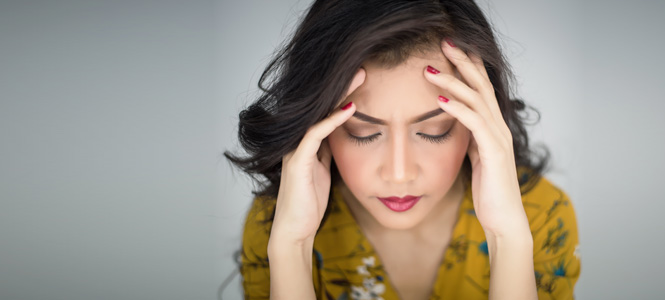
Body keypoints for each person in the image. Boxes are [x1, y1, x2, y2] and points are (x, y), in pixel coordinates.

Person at [224, 0, 581, 299]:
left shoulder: (540, 217)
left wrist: (508, 240)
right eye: (362, 132)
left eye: (434, 130)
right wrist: (291, 249)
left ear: (479, 122)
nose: (399, 173)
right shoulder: (277, 225)